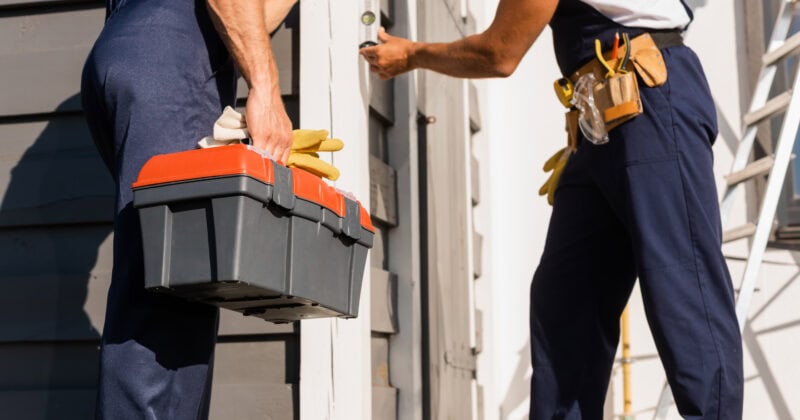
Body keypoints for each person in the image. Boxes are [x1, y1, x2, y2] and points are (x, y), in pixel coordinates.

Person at [361, 0, 744, 418]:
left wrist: (413, 55)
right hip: (602, 116)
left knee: (683, 289)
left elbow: (499, 53)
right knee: (566, 304)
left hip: (649, 100)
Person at [81, 0, 297, 417]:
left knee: (174, 281)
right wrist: (266, 88)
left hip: (133, 42)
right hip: (174, 54)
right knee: (165, 293)